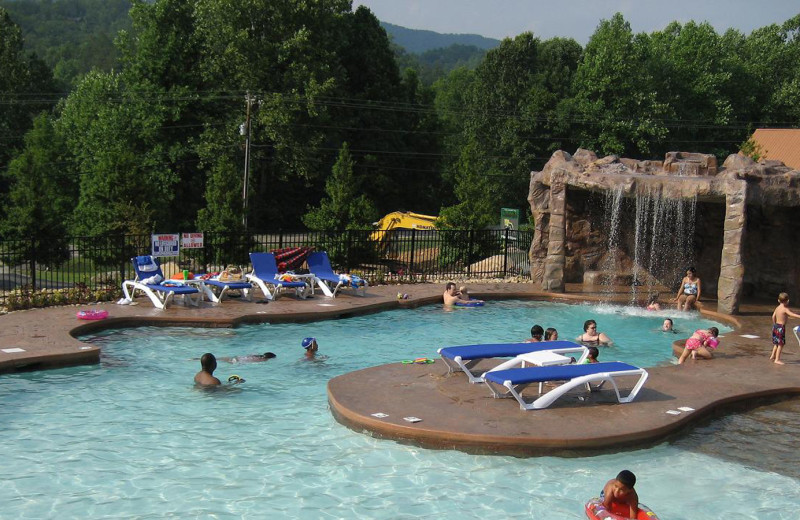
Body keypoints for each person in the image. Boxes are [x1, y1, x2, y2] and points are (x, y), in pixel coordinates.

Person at [770, 292, 800, 365]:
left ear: (778, 300)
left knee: (776, 343)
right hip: (781, 327)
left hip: (776, 326)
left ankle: (772, 356)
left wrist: (774, 324)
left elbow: (773, 316)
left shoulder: (777, 308)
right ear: (787, 301)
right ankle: (777, 359)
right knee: (781, 344)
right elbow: (792, 314)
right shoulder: (785, 309)